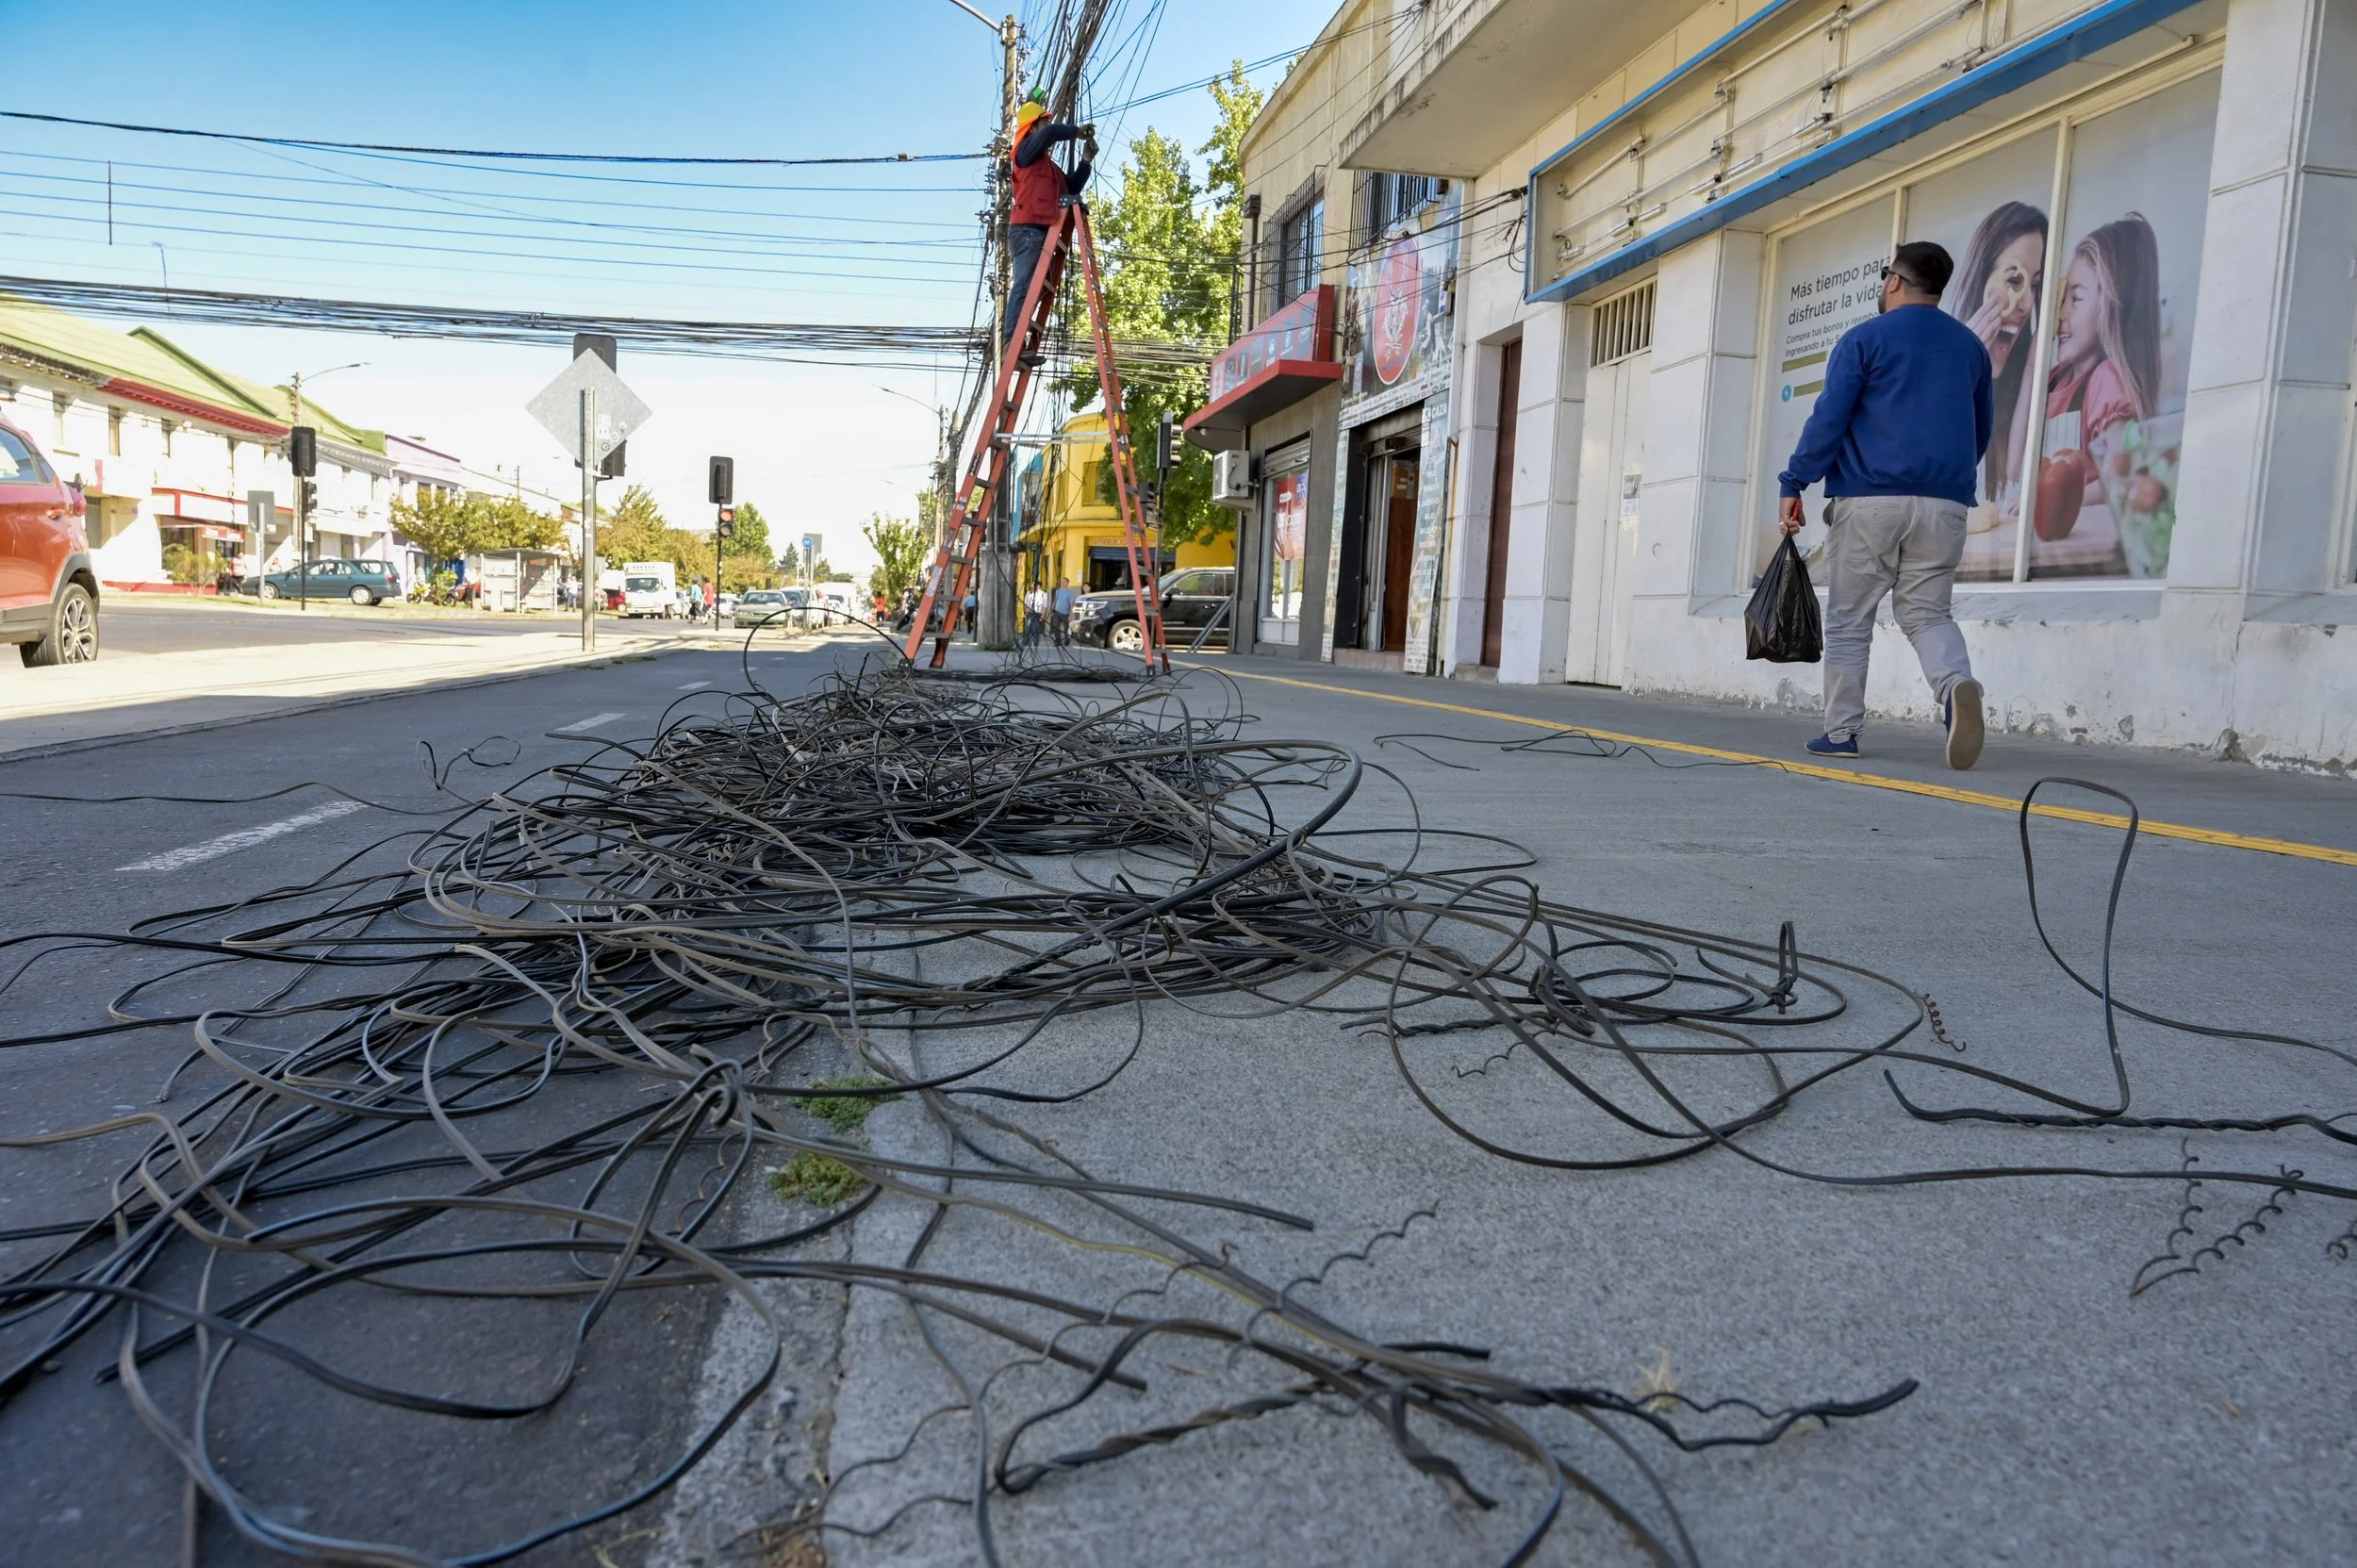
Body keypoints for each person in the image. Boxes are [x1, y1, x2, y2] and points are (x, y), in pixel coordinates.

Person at [1778, 239, 1993, 770]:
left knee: (1851, 618)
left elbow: (1829, 419)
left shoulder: (1865, 339)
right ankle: (1955, 686)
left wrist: (1795, 480)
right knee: (1927, 612)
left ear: (1894, 280)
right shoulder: (1971, 347)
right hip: (1945, 504)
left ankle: (1842, 731)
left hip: (1871, 499)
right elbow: (1980, 429)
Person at [2040, 215, 2161, 523]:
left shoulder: (2106, 379)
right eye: (2061, 299)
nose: (2061, 314)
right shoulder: (2055, 379)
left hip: (2080, 543)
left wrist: (2047, 500)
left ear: (2112, 306)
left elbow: (2121, 475)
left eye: (2076, 299)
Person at [1947, 202, 2047, 509]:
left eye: (2036, 284)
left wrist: (2035, 363)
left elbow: (2013, 477)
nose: (2026, 303)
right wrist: (1962, 367)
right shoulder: (1939, 363)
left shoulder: (2031, 371)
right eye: (2015, 281)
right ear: (1982, 279)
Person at [1005, 90, 1096, 365]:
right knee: (1024, 285)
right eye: (1043, 123)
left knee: (1037, 289)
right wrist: (1075, 131)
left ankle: (1019, 346)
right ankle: (1011, 341)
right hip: (1027, 230)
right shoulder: (1024, 152)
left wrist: (1086, 161)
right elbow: (1048, 135)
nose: (1046, 128)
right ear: (1032, 127)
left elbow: (1071, 186)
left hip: (1042, 231)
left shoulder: (1048, 165)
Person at [1023, 581, 1050, 648]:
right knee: (1027, 628)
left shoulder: (1043, 594)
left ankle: (1036, 643)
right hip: (1029, 613)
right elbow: (1026, 604)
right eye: (1032, 585)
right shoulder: (1029, 593)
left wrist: (1042, 615)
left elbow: (1044, 606)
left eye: (1034, 585)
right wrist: (1025, 613)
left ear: (1039, 586)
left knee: (1036, 629)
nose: (1033, 586)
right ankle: (1025, 643)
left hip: (1038, 613)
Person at [1050, 576, 1076, 646]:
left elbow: (1072, 604)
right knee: (1056, 628)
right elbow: (1055, 600)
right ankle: (1058, 642)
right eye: (1062, 581)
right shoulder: (1058, 591)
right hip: (1057, 612)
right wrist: (1052, 609)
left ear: (1067, 583)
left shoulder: (1070, 593)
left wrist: (1071, 615)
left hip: (1065, 614)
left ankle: (1067, 641)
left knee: (1066, 629)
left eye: (1064, 582)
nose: (1062, 583)